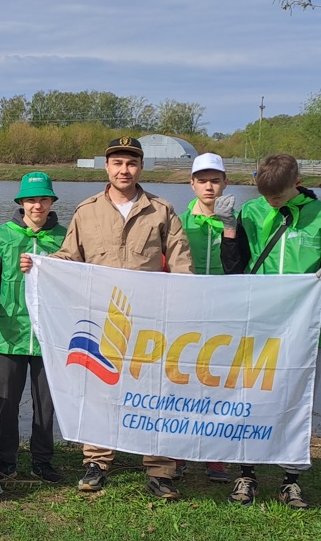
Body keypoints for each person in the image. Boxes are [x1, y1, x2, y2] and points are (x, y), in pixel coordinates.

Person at [21, 136, 194, 500]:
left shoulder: (162, 210)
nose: (124, 169)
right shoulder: (86, 211)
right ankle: (97, 462)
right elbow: (71, 257)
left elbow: (181, 265)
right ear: (107, 167)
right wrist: (40, 265)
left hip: (149, 321)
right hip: (100, 318)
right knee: (99, 390)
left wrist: (183, 305)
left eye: (131, 163)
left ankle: (160, 468)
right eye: (117, 162)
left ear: (140, 167)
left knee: (152, 391)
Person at [218, 153, 321, 510]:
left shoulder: (318, 217)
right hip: (259, 323)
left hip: (304, 326)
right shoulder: (253, 211)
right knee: (251, 396)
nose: (271, 203)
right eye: (265, 196)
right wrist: (230, 230)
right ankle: (246, 473)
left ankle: (290, 479)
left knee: (299, 400)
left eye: (276, 196)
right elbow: (235, 270)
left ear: (297, 182)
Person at [0, 172, 66, 483]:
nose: (37, 205)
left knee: (46, 403)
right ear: (21, 203)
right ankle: (7, 458)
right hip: (8, 332)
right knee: (8, 402)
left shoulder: (65, 237)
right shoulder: (1, 235)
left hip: (49, 335)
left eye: (43, 198)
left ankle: (43, 460)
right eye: (31, 199)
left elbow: (75, 281)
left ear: (52, 201)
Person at [174, 153, 232, 484]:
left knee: (218, 384)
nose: (209, 186)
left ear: (224, 183)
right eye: (203, 180)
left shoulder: (237, 220)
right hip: (187, 314)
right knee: (182, 382)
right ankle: (178, 454)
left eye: (215, 180)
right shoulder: (179, 221)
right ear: (192, 183)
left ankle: (215, 457)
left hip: (224, 313)